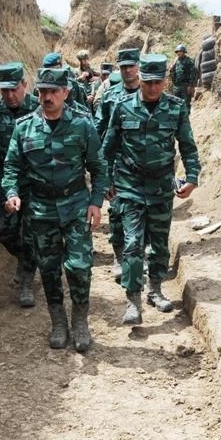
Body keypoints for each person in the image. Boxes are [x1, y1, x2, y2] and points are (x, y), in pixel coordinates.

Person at [1, 67, 107, 352]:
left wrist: (96, 202)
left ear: (65, 93)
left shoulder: (83, 125)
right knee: (48, 269)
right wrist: (11, 193)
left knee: (80, 267)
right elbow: (11, 166)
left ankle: (81, 322)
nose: (46, 97)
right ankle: (58, 323)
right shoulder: (24, 127)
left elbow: (98, 167)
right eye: (42, 91)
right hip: (41, 211)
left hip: (75, 208)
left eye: (52, 91)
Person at [102, 54, 201, 325]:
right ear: (140, 79)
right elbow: (107, 149)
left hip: (160, 186)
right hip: (130, 186)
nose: (154, 88)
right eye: (148, 83)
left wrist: (191, 177)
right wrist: (104, 183)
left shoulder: (176, 107)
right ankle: (133, 301)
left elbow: (187, 146)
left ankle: (155, 290)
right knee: (133, 244)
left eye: (158, 82)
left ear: (166, 81)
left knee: (158, 245)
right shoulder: (122, 108)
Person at [0, 61, 41, 307]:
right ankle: (26, 260)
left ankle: (26, 281)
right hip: (8, 181)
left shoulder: (39, 108)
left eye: (14, 89)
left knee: (32, 233)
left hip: (36, 182)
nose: (10, 95)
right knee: (6, 233)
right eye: (5, 90)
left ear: (24, 85)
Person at [93, 48, 141, 281]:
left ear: (138, 66)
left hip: (145, 169)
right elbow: (98, 132)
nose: (127, 70)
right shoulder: (110, 96)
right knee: (117, 214)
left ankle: (141, 257)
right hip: (117, 167)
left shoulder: (151, 91)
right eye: (123, 66)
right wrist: (101, 173)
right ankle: (119, 256)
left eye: (131, 65)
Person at [169, 44, 198, 111]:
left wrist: (190, 85)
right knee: (176, 104)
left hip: (185, 86)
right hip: (176, 86)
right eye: (177, 52)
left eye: (180, 51)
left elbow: (193, 73)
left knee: (186, 104)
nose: (178, 53)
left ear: (184, 52)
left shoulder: (189, 61)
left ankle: (186, 118)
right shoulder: (176, 61)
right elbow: (172, 72)